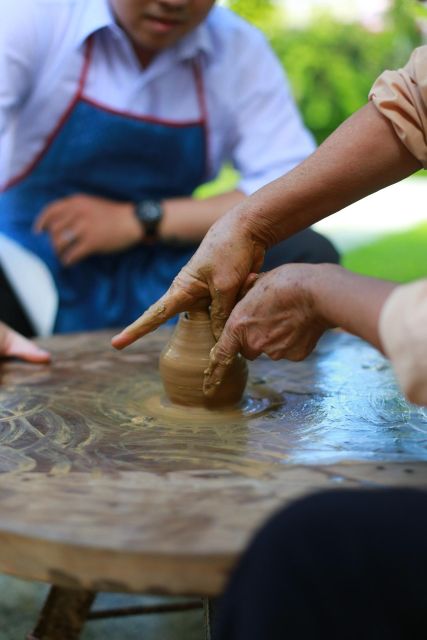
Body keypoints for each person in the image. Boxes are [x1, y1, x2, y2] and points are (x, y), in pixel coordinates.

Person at [0, 0, 338, 337]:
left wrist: (139, 220)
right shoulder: (33, 16)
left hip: (164, 270)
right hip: (26, 266)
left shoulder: (239, 49)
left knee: (305, 256)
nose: (174, 2)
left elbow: (293, 188)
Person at [111, 45, 427, 404]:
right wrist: (246, 227)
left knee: (307, 250)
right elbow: (416, 105)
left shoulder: (236, 47)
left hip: (155, 247)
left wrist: (323, 294)